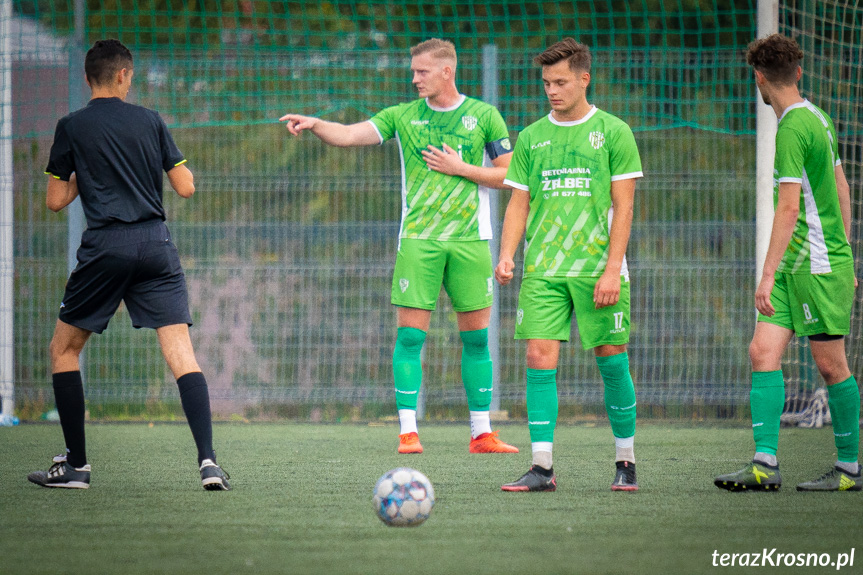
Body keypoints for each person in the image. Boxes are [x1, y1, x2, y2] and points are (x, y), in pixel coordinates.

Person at [280, 38, 518, 455]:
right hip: (418, 242)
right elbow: (351, 134)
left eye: (422, 71)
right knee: (410, 339)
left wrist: (460, 168)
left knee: (477, 341)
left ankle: (482, 434)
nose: (414, 78)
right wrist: (317, 123)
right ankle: (408, 432)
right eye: (413, 71)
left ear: (447, 71)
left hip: (470, 242)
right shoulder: (402, 117)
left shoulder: (484, 116)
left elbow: (511, 176)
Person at [28, 39, 230, 491]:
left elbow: (56, 200)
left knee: (64, 350)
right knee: (181, 354)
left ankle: (76, 466)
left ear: (87, 78)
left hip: (105, 247)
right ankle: (208, 463)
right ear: (124, 76)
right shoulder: (151, 121)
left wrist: (86, 172)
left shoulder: (71, 127)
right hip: (155, 245)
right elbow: (185, 188)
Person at [495, 38, 643, 492]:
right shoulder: (533, 137)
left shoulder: (614, 132)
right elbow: (519, 203)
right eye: (546, 83)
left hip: (597, 268)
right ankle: (542, 467)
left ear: (584, 78)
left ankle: (626, 460)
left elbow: (625, 205)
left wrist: (612, 268)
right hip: (544, 270)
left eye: (560, 82)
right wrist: (506, 253)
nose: (552, 91)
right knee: (538, 357)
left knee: (610, 358)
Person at [715, 34, 860, 492]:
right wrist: (847, 248)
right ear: (796, 72)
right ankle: (764, 464)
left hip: (813, 266)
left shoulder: (795, 128)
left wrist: (769, 272)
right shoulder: (818, 116)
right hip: (802, 266)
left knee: (831, 365)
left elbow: (789, 208)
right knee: (763, 353)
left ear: (758, 78)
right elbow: (842, 188)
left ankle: (851, 468)